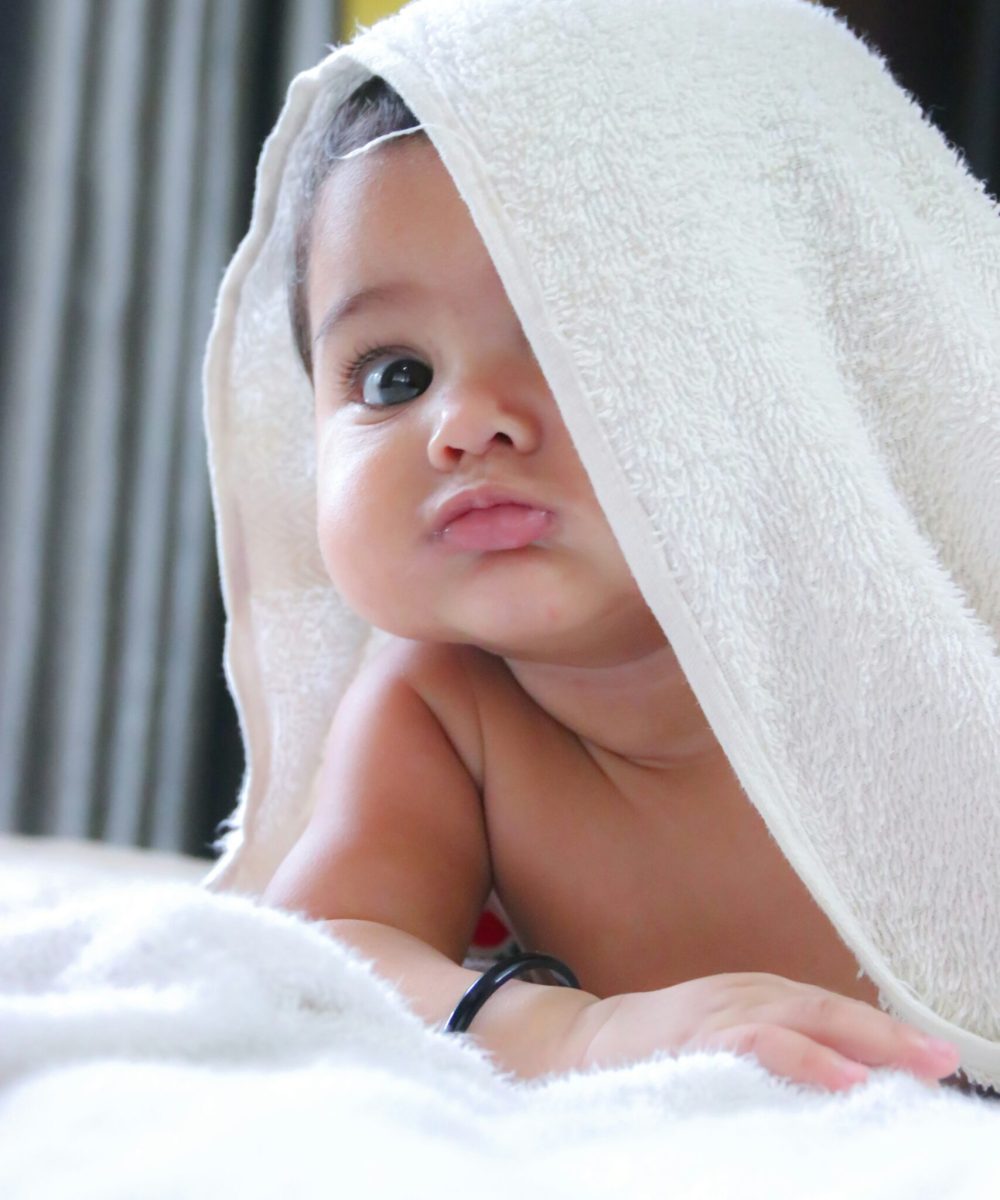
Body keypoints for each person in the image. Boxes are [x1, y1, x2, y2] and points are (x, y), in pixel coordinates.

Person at [259, 75, 963, 1094]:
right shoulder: (445, 703)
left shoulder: (905, 639)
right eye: (394, 375)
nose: (464, 424)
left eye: (566, 340)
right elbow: (316, 960)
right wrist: (570, 1035)